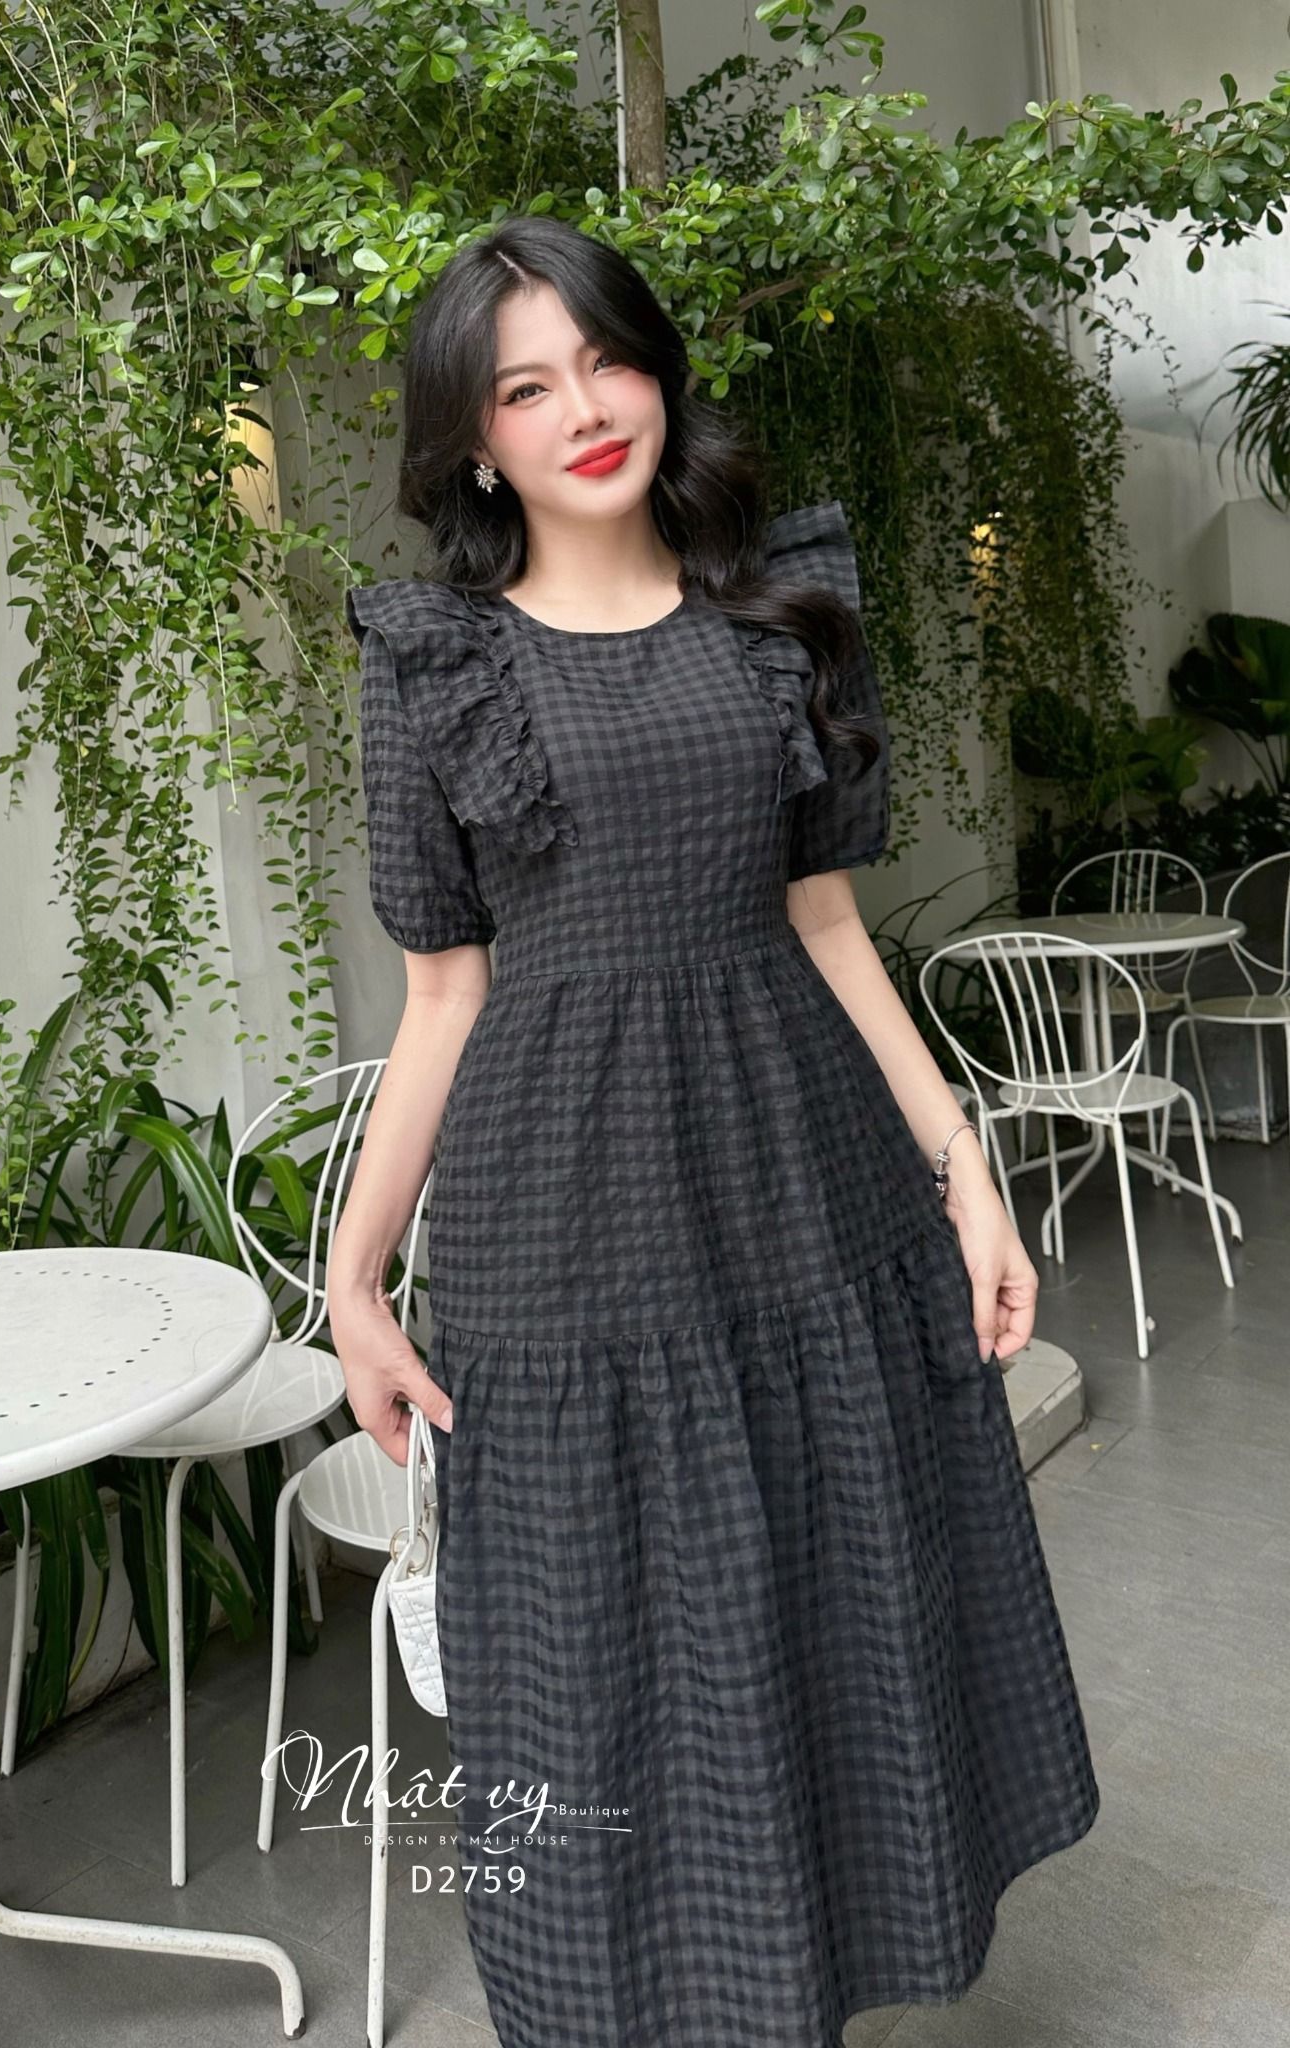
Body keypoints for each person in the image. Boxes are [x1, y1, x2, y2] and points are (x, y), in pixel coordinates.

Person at [326, 213, 1099, 2048]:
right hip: (560, 1226)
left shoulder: (781, 613)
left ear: (659, 372)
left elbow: (828, 925)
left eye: (607, 361)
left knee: (832, 1611)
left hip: (803, 1193)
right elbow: (441, 997)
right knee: (596, 1666)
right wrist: (352, 1284)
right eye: (528, 388)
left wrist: (968, 1171)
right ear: (475, 439)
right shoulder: (435, 661)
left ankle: (804, 1990)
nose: (585, 411)